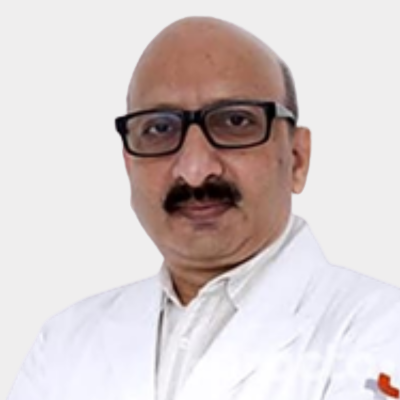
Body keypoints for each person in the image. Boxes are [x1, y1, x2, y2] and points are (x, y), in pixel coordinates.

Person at [8, 16, 400, 400]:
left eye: (235, 121)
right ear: (129, 165)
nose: (195, 170)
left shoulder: (382, 331)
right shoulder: (63, 346)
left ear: (297, 159)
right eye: (160, 129)